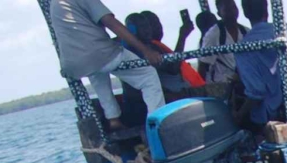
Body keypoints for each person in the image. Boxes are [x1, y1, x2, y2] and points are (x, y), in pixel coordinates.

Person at [48, 0, 167, 131]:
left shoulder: (55, 3)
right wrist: (146, 51)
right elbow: (110, 22)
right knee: (148, 76)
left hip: (74, 62)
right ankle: (155, 126)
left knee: (97, 73)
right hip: (98, 53)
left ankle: (113, 119)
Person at [234, 0, 287, 127]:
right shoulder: (284, 29)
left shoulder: (241, 48)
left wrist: (239, 115)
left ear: (245, 13)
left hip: (273, 115)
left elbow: (256, 92)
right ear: (267, 9)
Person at [135, 11, 207, 92]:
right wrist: (182, 36)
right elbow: (173, 68)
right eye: (153, 24)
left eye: (158, 23)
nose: (159, 27)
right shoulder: (150, 49)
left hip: (192, 88)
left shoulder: (158, 45)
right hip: (181, 93)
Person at [198, 0, 248, 87]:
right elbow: (203, 66)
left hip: (244, 83)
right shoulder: (213, 35)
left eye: (234, 7)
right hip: (221, 86)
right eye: (227, 9)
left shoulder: (246, 31)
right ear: (219, 14)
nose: (232, 12)